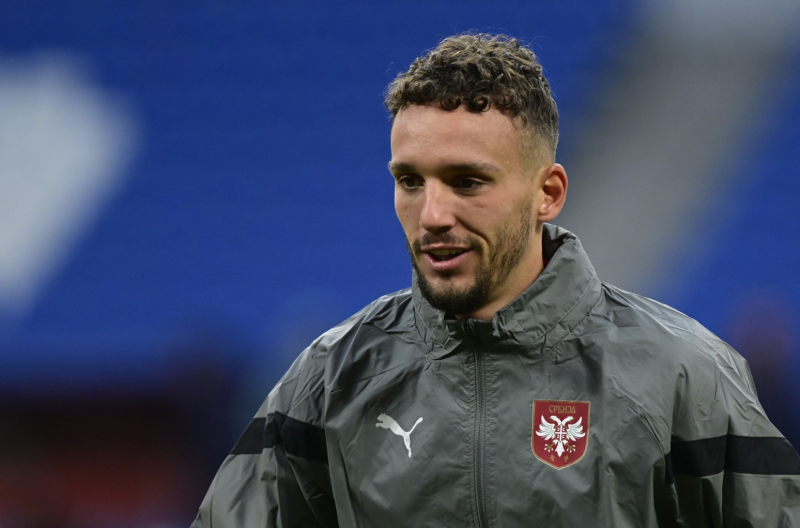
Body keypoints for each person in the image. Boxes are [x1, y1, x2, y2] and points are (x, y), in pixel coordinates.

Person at [191, 33, 800, 527]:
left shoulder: (684, 375)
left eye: (468, 182)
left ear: (548, 194)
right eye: (410, 181)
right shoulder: (331, 379)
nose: (432, 214)